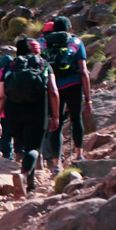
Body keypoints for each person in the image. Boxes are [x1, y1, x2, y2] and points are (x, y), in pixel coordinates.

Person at [0, 37, 60, 192]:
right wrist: (55, 115)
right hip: (37, 110)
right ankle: (23, 175)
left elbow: (1, 96)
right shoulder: (43, 64)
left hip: (13, 112)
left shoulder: (10, 66)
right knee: (33, 148)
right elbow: (53, 91)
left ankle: (30, 185)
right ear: (32, 49)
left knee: (26, 146)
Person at [42, 16, 92, 164]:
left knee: (56, 123)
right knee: (76, 119)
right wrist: (88, 99)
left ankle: (57, 164)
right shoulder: (76, 42)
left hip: (52, 87)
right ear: (69, 28)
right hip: (73, 85)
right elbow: (83, 70)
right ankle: (79, 155)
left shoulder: (44, 43)